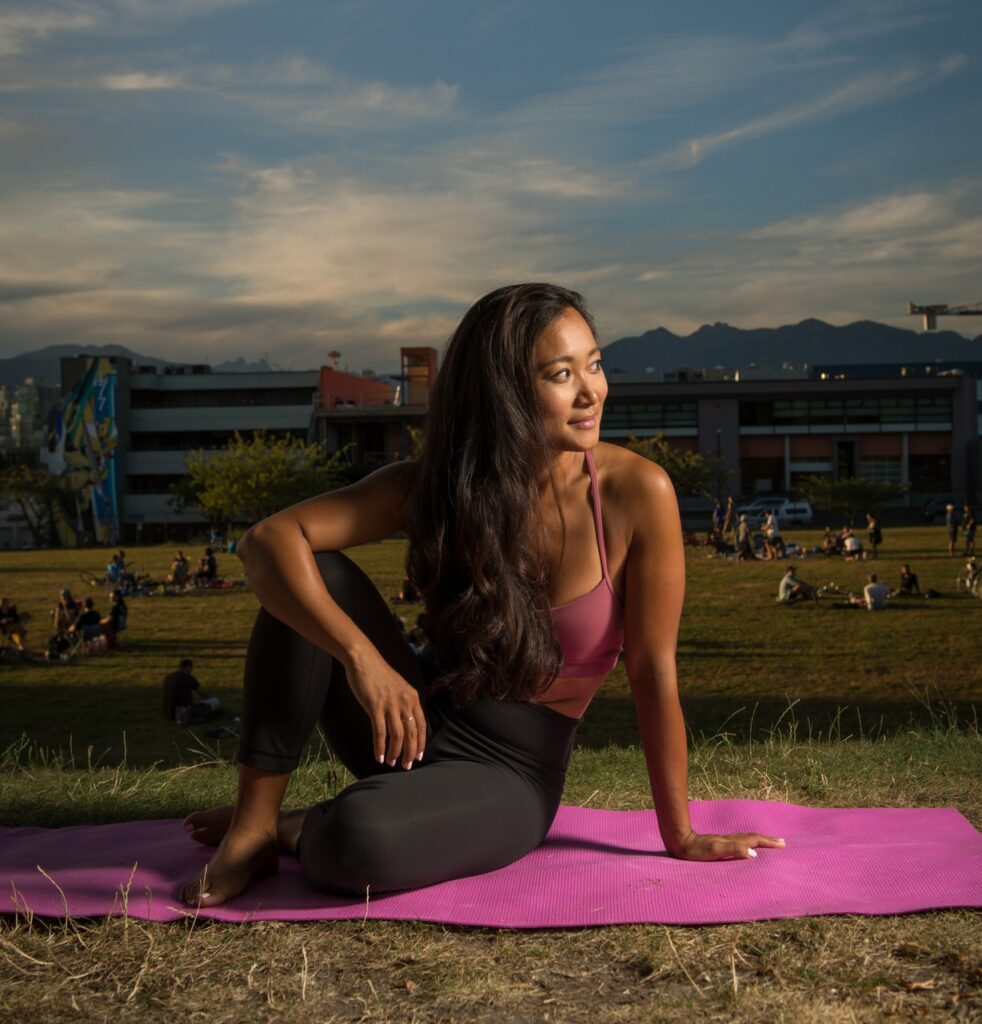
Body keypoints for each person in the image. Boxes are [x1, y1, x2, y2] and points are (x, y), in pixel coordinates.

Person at [178, 283, 783, 908]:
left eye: (595, 365)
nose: (590, 391)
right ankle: (253, 830)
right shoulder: (443, 484)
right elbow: (264, 543)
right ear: (506, 393)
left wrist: (679, 833)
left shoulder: (638, 492)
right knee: (311, 572)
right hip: (408, 720)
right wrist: (364, 661)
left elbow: (652, 672)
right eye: (561, 374)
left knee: (357, 842)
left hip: (511, 770)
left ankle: (298, 828)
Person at [161, 657, 221, 723]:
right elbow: (204, 693)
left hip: (168, 712)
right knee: (215, 701)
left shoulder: (169, 677)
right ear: (188, 667)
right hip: (183, 713)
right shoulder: (188, 678)